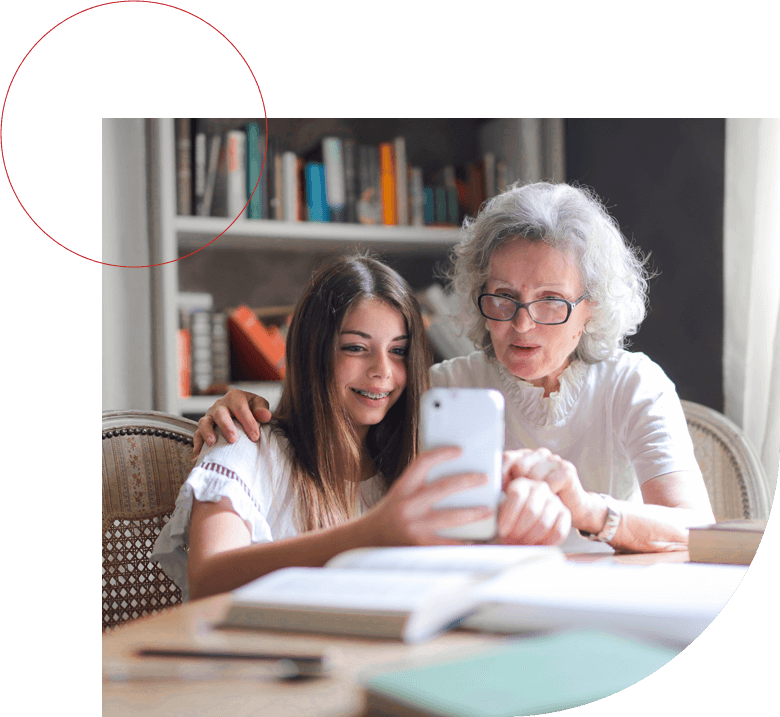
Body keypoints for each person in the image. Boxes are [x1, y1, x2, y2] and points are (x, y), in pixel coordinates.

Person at [194, 182, 716, 554]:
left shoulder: (633, 383)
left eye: (551, 301)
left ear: (592, 308)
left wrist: (586, 509)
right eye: (503, 297)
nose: (522, 324)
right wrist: (241, 408)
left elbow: (695, 527)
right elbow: (334, 426)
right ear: (477, 293)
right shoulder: (440, 389)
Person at [152, 253, 570, 601]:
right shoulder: (246, 443)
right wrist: (372, 533)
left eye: (399, 352)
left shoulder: (412, 464)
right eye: (356, 348)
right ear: (313, 351)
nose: (382, 373)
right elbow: (208, 579)